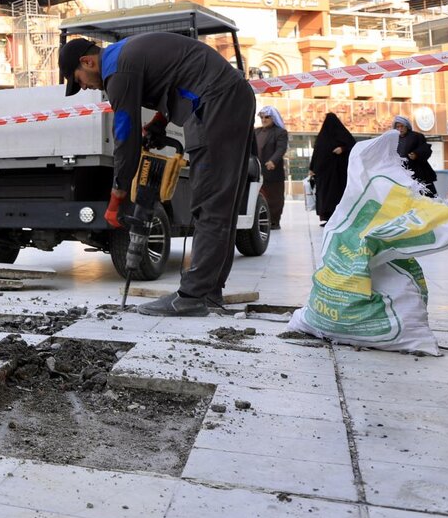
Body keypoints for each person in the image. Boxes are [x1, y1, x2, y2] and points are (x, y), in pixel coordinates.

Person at [60, 32, 256, 317]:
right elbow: (176, 81)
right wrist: (158, 124)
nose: (86, 88)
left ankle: (192, 296)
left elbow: (125, 138)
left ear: (88, 61)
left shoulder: (117, 72)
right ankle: (209, 291)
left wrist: (117, 195)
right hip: (229, 97)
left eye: (79, 80)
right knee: (220, 204)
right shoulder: (128, 54)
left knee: (210, 202)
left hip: (216, 102)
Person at [308, 113, 354, 225]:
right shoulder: (322, 136)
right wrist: (312, 168)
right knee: (324, 195)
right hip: (323, 173)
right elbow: (316, 153)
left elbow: (352, 146)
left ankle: (338, 218)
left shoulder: (343, 135)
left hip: (337, 173)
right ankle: (327, 218)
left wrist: (342, 149)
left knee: (336, 195)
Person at [254, 105, 289, 230]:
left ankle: (274, 222)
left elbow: (281, 148)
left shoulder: (280, 132)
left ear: (273, 118)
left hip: (273, 173)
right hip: (257, 172)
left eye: (267, 117)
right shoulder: (256, 132)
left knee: (274, 198)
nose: (264, 119)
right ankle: (260, 222)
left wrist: (273, 161)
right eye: (262, 117)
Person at [393, 116, 437, 198]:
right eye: (397, 127)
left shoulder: (416, 136)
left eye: (402, 126)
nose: (400, 129)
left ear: (407, 126)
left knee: (427, 197)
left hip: (419, 172)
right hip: (402, 174)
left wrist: (416, 154)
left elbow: (426, 149)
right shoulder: (394, 139)